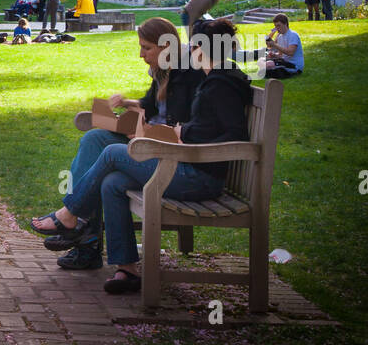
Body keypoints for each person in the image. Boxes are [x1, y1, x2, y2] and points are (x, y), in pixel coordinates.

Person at [32, 19, 252, 292]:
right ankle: (126, 268)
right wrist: (139, 119)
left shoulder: (214, 82)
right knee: (108, 172)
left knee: (112, 153)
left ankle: (71, 215)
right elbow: (188, 121)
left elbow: (228, 134)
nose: (141, 55)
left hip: (190, 169)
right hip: (175, 156)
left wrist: (174, 133)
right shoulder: (211, 80)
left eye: (146, 48)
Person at [263, 14, 304, 78]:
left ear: (285, 24)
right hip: (284, 62)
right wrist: (274, 55)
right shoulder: (280, 36)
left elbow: (290, 52)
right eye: (275, 26)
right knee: (263, 61)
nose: (277, 28)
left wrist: (275, 45)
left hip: (294, 65)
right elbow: (280, 54)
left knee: (268, 65)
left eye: (279, 26)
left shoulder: (293, 35)